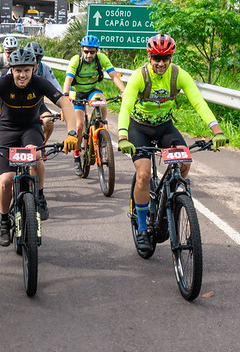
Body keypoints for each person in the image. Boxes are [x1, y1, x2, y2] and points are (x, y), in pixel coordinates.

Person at [117, 34, 228, 251]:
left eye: (165, 58)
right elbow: (126, 107)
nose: (161, 63)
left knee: (184, 162)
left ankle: (172, 201)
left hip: (165, 126)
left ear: (171, 57)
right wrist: (122, 136)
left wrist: (217, 130)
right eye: (156, 58)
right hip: (139, 128)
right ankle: (141, 227)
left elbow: (198, 102)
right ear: (149, 57)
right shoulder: (140, 77)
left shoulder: (178, 75)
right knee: (144, 174)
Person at [0, 48, 78, 245]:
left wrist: (72, 133)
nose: (22, 75)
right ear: (11, 69)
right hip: (7, 130)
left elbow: (66, 104)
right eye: (18, 70)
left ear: (34, 68)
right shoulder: (2, 83)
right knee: (6, 180)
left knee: (35, 158)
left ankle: (40, 195)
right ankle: (4, 220)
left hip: (31, 128)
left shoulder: (39, 82)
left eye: (27, 70)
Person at [63, 34, 125, 176]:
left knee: (102, 102)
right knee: (79, 126)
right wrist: (66, 96)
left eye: (92, 52)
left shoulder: (101, 59)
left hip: (92, 90)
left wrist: (124, 91)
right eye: (86, 51)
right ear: (82, 50)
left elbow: (114, 76)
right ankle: (77, 157)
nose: (89, 55)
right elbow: (68, 80)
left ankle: (101, 126)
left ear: (97, 51)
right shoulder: (75, 60)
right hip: (76, 92)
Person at [24, 41, 62, 143]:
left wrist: (64, 106)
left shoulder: (44, 69)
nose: (35, 63)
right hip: (19, 104)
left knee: (48, 121)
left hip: (38, 104)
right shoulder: (18, 68)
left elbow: (56, 89)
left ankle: (41, 145)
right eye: (32, 59)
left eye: (38, 60)